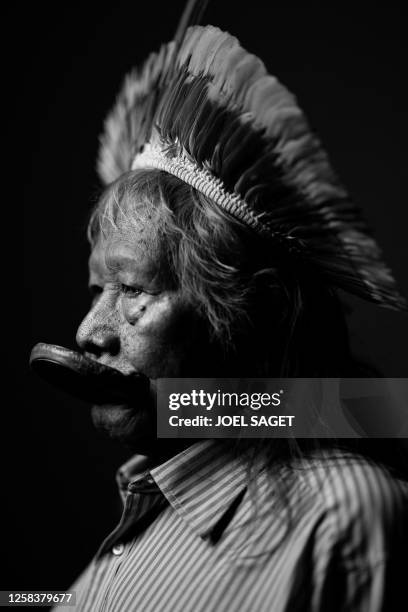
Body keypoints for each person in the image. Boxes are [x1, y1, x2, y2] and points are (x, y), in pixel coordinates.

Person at [58, 20, 408, 612]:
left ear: (246, 313)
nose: (88, 333)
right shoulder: (132, 531)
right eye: (97, 290)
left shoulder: (343, 520)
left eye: (132, 289)